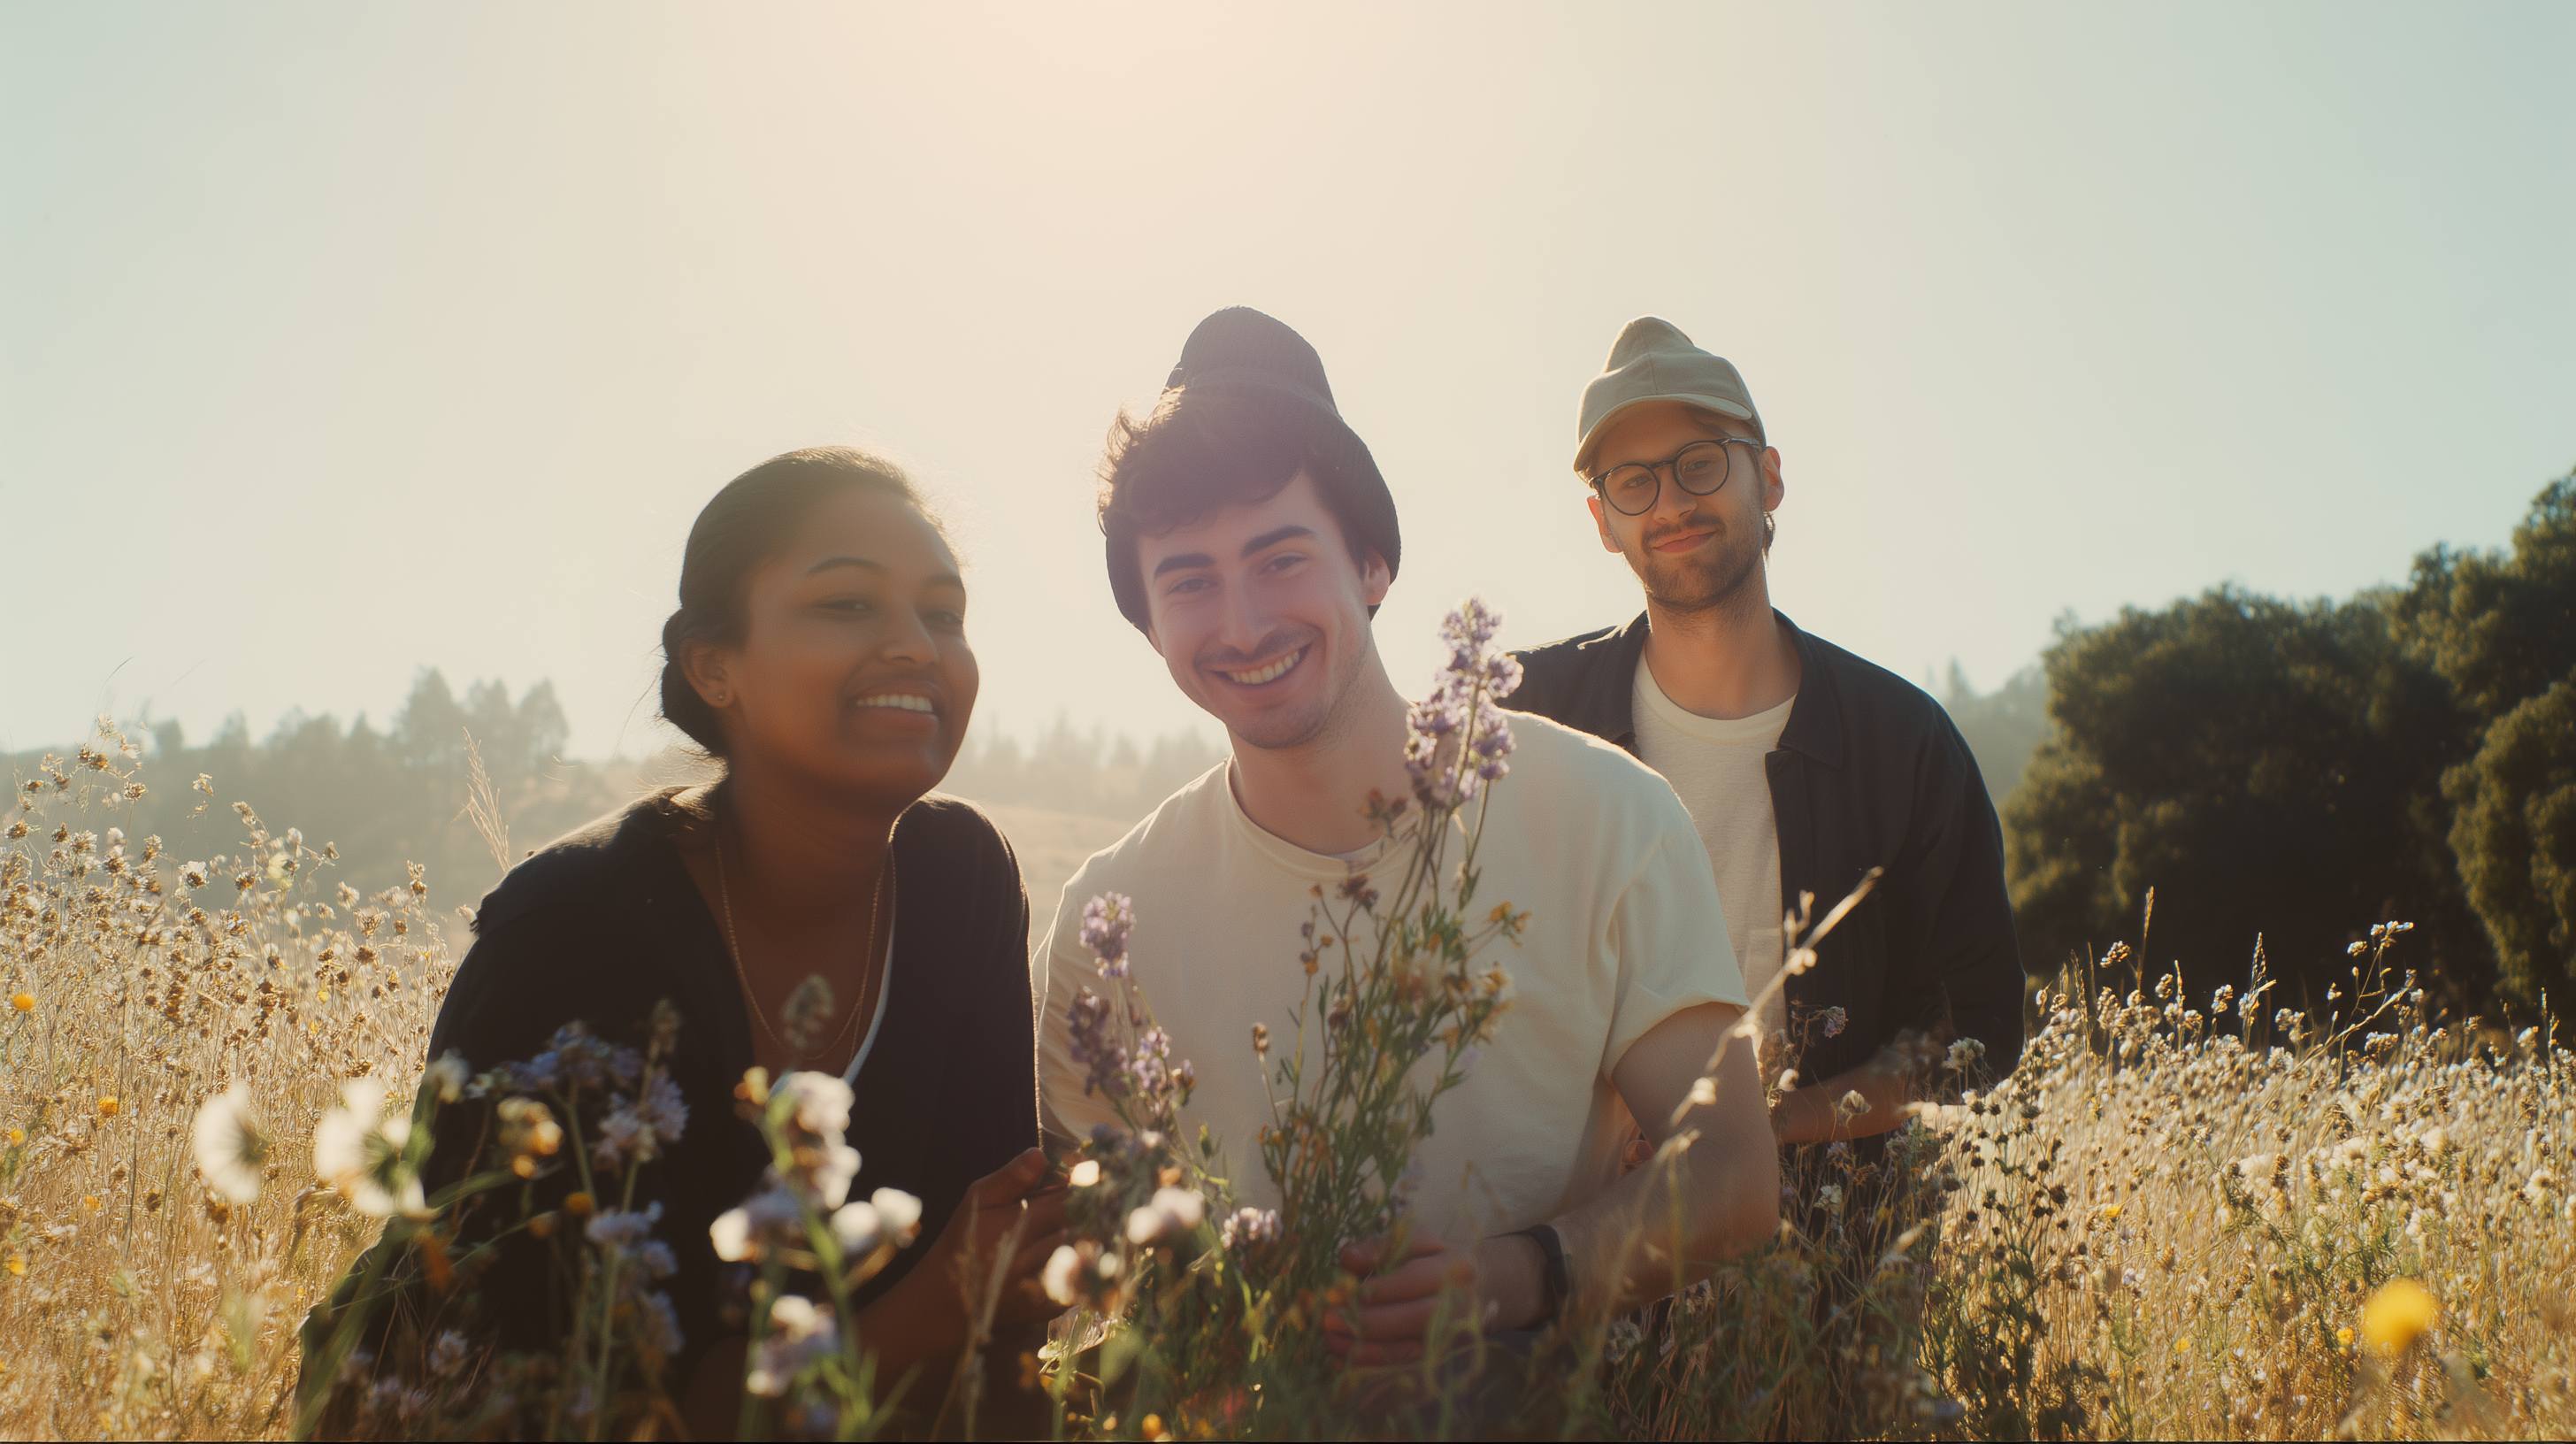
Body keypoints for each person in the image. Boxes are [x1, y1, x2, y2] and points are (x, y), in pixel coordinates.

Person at [1034, 308, 1780, 1367]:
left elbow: (1733, 1181)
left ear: (1373, 567)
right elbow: (1089, 1231)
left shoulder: (1608, 816)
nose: (1242, 622)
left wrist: (1517, 1276)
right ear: (1148, 623)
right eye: (1188, 581)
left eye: (1280, 558)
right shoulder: (1109, 917)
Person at [330, 447, 1064, 1426]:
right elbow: (575, 1403)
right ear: (712, 665)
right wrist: (932, 1312)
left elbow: (1000, 1311)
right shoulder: (568, 936)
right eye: (847, 605)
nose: (917, 647)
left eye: (944, 613)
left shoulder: (961, 881)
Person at [1507, 318, 2025, 1194]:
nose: (1669, 502)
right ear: (1601, 520)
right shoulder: (1526, 716)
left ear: (1769, 476)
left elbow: (1973, 1028)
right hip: (1574, 1249)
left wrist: (1774, 1126)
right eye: (1632, 482)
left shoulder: (1901, 742)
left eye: (1700, 462)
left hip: (1832, 1264)